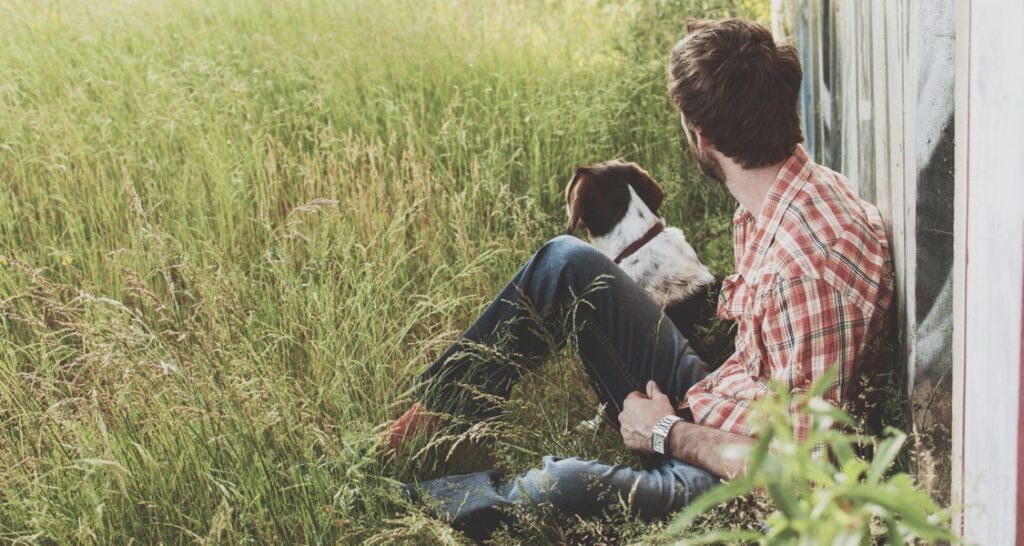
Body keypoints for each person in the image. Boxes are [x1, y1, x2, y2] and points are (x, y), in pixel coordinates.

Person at [387, 18, 894, 539]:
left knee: (555, 487)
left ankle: (397, 504)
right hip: (731, 406)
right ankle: (429, 421)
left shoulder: (803, 269)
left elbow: (800, 478)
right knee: (566, 261)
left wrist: (667, 432)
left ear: (700, 136)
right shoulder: (787, 195)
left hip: (739, 485)